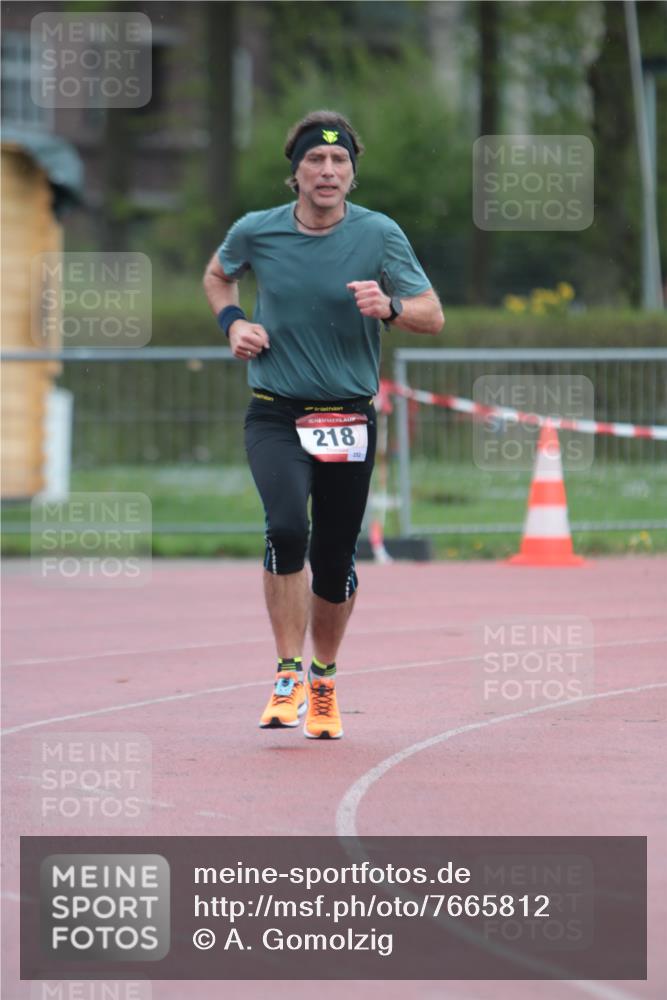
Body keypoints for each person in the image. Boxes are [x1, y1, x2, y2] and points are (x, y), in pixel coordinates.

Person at [203, 110, 444, 740]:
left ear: (353, 176)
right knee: (286, 527)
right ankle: (285, 672)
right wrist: (234, 323)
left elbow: (431, 314)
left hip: (347, 416)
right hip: (276, 411)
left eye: (339, 162)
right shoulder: (256, 231)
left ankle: (324, 679)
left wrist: (390, 307)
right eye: (316, 160)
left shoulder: (380, 235)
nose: (328, 171)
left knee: (334, 559)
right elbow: (217, 274)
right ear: (296, 173)